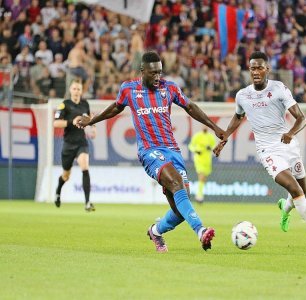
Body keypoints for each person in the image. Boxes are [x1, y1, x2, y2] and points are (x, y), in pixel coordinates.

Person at [77, 51, 226, 252]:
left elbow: (190, 107)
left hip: (172, 150)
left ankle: (155, 231)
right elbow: (115, 108)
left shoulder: (169, 88)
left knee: (181, 207)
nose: (158, 77)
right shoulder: (129, 89)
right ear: (142, 71)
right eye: (153, 73)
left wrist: (214, 126)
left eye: (160, 72)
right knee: (176, 182)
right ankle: (201, 231)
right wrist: (91, 121)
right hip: (150, 151)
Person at [214, 51, 306, 251]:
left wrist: (290, 133)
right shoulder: (242, 95)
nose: (256, 71)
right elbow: (238, 116)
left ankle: (285, 207)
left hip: (288, 145)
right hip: (267, 150)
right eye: (252, 67)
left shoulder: (279, 89)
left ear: (267, 69)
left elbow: (301, 118)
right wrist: (225, 137)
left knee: (301, 192)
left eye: (260, 67)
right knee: (297, 191)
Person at [53, 79, 96, 212]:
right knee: (66, 175)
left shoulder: (85, 104)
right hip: (68, 144)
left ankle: (87, 202)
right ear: (70, 90)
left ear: (81, 91)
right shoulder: (64, 105)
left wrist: (93, 127)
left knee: (85, 166)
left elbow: (89, 119)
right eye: (74, 89)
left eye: (79, 89)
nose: (76, 91)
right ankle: (58, 191)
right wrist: (73, 121)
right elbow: (56, 123)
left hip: (81, 142)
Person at [188, 126, 216, 203]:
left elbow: (214, 147)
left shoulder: (211, 137)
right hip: (199, 159)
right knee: (201, 176)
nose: (205, 127)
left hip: (207, 160)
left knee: (203, 178)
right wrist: (196, 150)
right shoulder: (197, 136)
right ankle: (199, 196)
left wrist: (210, 148)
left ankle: (200, 194)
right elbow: (191, 146)